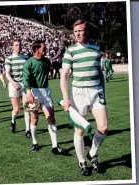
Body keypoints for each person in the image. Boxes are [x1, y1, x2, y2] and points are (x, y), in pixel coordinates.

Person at [60, 20, 108, 176]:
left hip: (96, 92)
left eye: (80, 31)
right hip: (78, 94)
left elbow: (100, 72)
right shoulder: (70, 51)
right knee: (79, 131)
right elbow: (63, 76)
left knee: (103, 127)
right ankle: (82, 162)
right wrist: (66, 99)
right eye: (75, 32)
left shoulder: (96, 49)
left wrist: (103, 91)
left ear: (87, 31)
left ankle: (92, 154)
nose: (78, 34)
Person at [23, 40, 64, 154]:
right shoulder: (28, 63)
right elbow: (25, 79)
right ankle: (35, 142)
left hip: (46, 92)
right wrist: (28, 92)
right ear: (36, 49)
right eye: (43, 48)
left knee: (51, 117)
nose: (45, 50)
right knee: (34, 118)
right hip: (33, 92)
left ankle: (55, 146)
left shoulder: (46, 61)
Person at [5, 39, 31, 137]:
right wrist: (13, 82)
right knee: (16, 110)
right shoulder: (9, 58)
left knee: (27, 108)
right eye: (16, 45)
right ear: (12, 47)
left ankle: (27, 130)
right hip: (13, 84)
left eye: (19, 45)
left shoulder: (26, 57)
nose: (18, 47)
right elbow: (7, 74)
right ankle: (13, 121)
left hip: (24, 85)